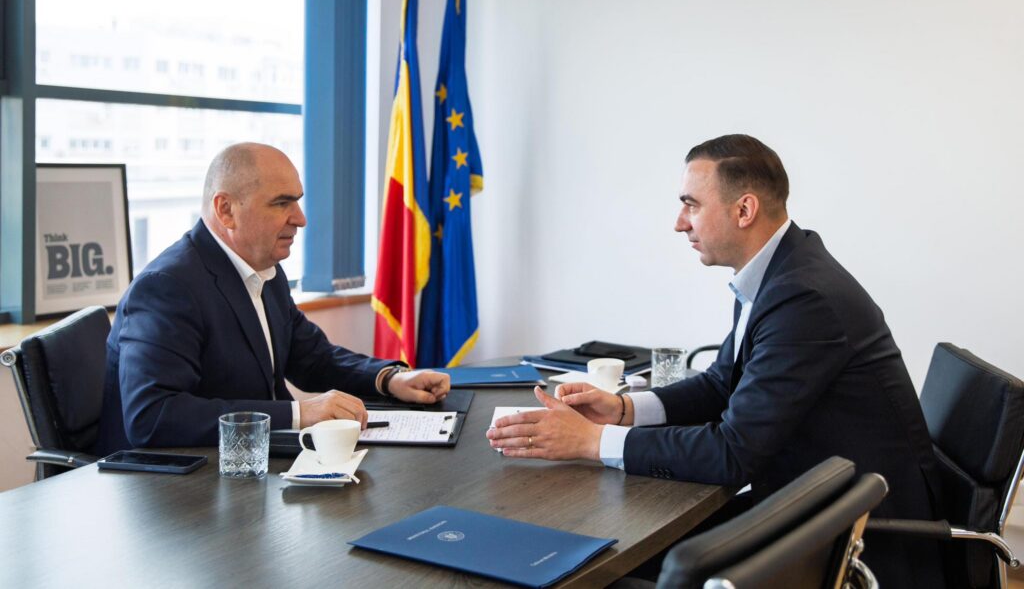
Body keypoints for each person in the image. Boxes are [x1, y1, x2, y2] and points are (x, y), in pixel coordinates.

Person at [487, 134, 943, 586]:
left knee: (597, 565)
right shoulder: (781, 271)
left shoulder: (803, 296)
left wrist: (592, 441)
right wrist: (624, 411)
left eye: (691, 204)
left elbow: (733, 452)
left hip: (855, 535)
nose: (679, 223)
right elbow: (723, 381)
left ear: (743, 210)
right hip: (814, 500)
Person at [95, 143, 449, 454]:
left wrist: (388, 379)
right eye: (282, 203)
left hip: (247, 465)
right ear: (226, 210)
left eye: (297, 201)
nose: (301, 219)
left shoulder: (264, 268)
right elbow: (154, 417)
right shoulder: (168, 287)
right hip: (170, 490)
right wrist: (300, 414)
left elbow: (311, 358)